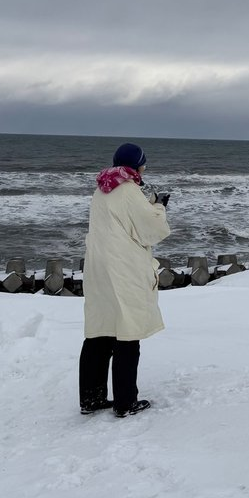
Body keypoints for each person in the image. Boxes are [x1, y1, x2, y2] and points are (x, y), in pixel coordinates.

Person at [79, 141, 171, 418]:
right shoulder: (130, 191)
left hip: (98, 266)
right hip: (122, 267)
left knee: (99, 332)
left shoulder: (102, 188)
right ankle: (125, 402)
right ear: (138, 164)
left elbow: (123, 219)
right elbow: (150, 231)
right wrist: (160, 208)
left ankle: (91, 399)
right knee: (127, 331)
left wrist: (148, 204)